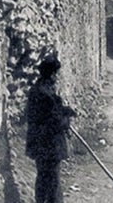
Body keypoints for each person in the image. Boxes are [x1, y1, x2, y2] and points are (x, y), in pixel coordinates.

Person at [26, 54, 76, 203]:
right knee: (52, 181)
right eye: (56, 74)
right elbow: (53, 121)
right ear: (52, 74)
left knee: (44, 178)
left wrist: (66, 110)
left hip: (40, 143)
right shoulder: (44, 94)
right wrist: (66, 121)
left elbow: (53, 110)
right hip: (48, 144)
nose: (57, 78)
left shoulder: (39, 89)